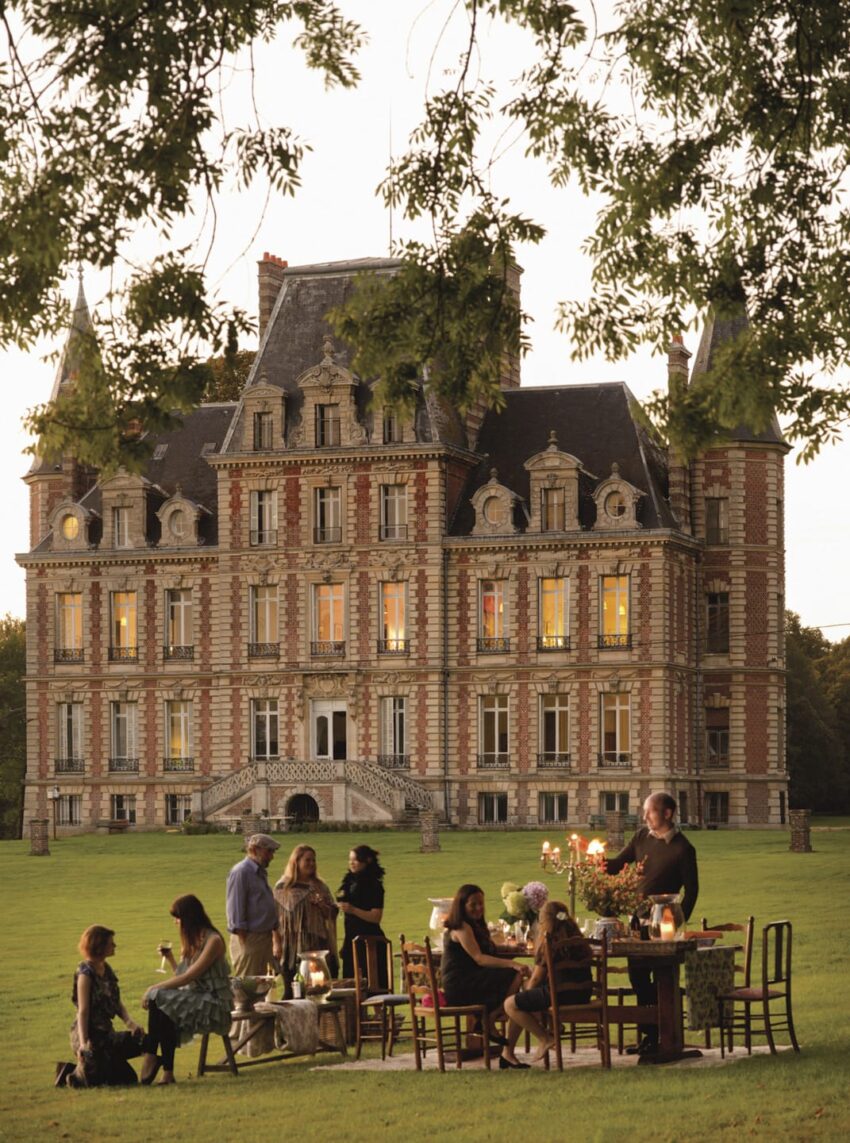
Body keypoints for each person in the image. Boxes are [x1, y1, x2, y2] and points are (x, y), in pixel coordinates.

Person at [605, 790, 699, 1056]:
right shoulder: (641, 837)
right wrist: (594, 859)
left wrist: (677, 920)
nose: (645, 816)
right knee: (637, 977)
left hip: (662, 926)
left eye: (650, 811)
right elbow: (618, 864)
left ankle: (664, 1038)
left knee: (661, 979)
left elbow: (692, 891)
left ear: (667, 813)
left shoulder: (683, 849)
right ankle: (650, 1035)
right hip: (637, 923)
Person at [139, 894, 232, 1085]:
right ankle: (163, 1067)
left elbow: (189, 977)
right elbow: (183, 978)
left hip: (214, 1001)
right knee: (162, 1004)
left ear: (189, 917)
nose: (176, 922)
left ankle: (153, 1055)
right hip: (197, 995)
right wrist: (171, 958)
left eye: (178, 918)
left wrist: (152, 988)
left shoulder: (213, 940)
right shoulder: (190, 940)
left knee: (159, 998)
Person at [441, 883, 531, 1069]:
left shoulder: (475, 925)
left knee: (514, 974)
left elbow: (487, 949)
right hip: (460, 984)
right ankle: (490, 1019)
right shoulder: (461, 927)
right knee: (513, 974)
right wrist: (513, 963)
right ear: (462, 905)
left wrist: (510, 949)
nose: (478, 908)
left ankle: (490, 1020)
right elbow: (479, 958)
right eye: (473, 904)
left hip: (474, 977)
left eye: (481, 903)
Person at [60, 925, 149, 1087]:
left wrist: (131, 1023)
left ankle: (100, 1066)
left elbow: (116, 1002)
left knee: (132, 1070)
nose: (115, 946)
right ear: (99, 946)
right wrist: (83, 1043)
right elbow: (83, 1011)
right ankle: (73, 1074)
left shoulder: (106, 968)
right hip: (90, 1036)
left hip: (107, 1035)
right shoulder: (85, 973)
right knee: (97, 1080)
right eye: (111, 943)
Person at [504, 901, 593, 1062]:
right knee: (525, 1000)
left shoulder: (549, 943)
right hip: (582, 994)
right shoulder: (580, 941)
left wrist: (526, 991)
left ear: (545, 921)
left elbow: (537, 979)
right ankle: (553, 1025)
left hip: (559, 995)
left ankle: (545, 1038)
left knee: (511, 1004)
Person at [274, 844, 339, 993]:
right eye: (307, 860)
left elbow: (332, 913)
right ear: (296, 862)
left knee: (318, 989)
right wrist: (276, 942)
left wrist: (322, 906)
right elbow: (273, 917)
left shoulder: (320, 886)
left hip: (316, 943)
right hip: (290, 946)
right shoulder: (283, 887)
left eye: (314, 860)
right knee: (292, 989)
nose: (311, 864)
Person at [226, 833, 282, 977]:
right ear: (255, 850)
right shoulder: (241, 872)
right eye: (269, 851)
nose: (272, 856)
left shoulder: (258, 872)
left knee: (264, 984)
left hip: (263, 937)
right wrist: (245, 944)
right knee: (248, 984)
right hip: (250, 938)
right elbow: (236, 912)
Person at [337, 844, 388, 987]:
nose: (351, 863)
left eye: (355, 860)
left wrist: (353, 910)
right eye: (350, 860)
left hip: (369, 941)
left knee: (372, 983)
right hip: (351, 939)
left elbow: (376, 917)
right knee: (351, 984)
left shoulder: (374, 885)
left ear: (367, 861)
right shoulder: (349, 882)